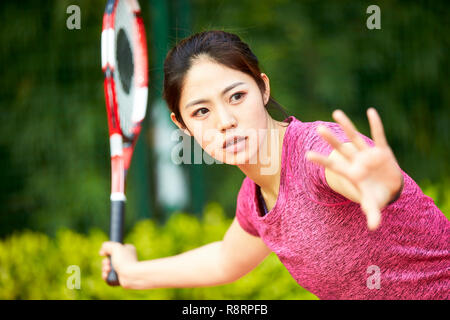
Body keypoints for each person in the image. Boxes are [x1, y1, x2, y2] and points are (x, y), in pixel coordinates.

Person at [100, 30, 449, 299]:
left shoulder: (316, 152)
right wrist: (133, 273)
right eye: (201, 111)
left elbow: (356, 176)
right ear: (182, 125)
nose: (224, 121)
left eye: (237, 96)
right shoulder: (254, 198)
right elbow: (225, 259)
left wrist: (382, 187)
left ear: (263, 89)